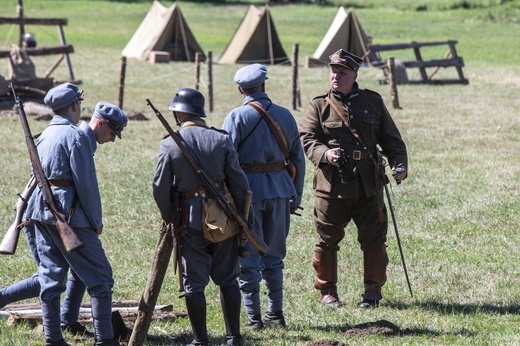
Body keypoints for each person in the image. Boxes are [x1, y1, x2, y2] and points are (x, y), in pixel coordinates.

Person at [0, 101, 128, 339]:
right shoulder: (77, 138)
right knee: (97, 277)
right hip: (62, 216)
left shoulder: (50, 132)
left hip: (41, 212)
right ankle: (105, 340)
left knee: (58, 274)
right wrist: (95, 220)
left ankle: (63, 325)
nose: (112, 139)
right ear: (100, 123)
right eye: (112, 132)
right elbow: (86, 186)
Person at [299, 49, 408, 309]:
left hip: (367, 184)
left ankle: (372, 292)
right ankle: (328, 292)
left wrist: (399, 164)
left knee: (374, 239)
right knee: (326, 239)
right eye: (333, 71)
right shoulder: (319, 104)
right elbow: (306, 139)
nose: (336, 76)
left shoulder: (372, 102)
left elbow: (392, 140)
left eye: (342, 72)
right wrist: (325, 154)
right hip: (331, 185)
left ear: (354, 75)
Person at [153, 88, 249, 346]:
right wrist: (239, 219)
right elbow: (239, 184)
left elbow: (160, 188)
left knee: (194, 283)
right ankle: (234, 338)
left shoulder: (170, 143)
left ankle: (200, 341)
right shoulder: (221, 139)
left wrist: (170, 218)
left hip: (189, 221)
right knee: (228, 278)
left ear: (181, 112)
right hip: (224, 219)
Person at [222, 64, 305, 330]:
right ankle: (275, 314)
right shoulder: (285, 115)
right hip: (281, 189)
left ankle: (254, 318)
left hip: (247, 193)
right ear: (264, 86)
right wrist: (296, 195)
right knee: (275, 255)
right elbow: (297, 159)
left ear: (240, 89)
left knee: (248, 254)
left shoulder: (236, 117)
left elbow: (226, 158)